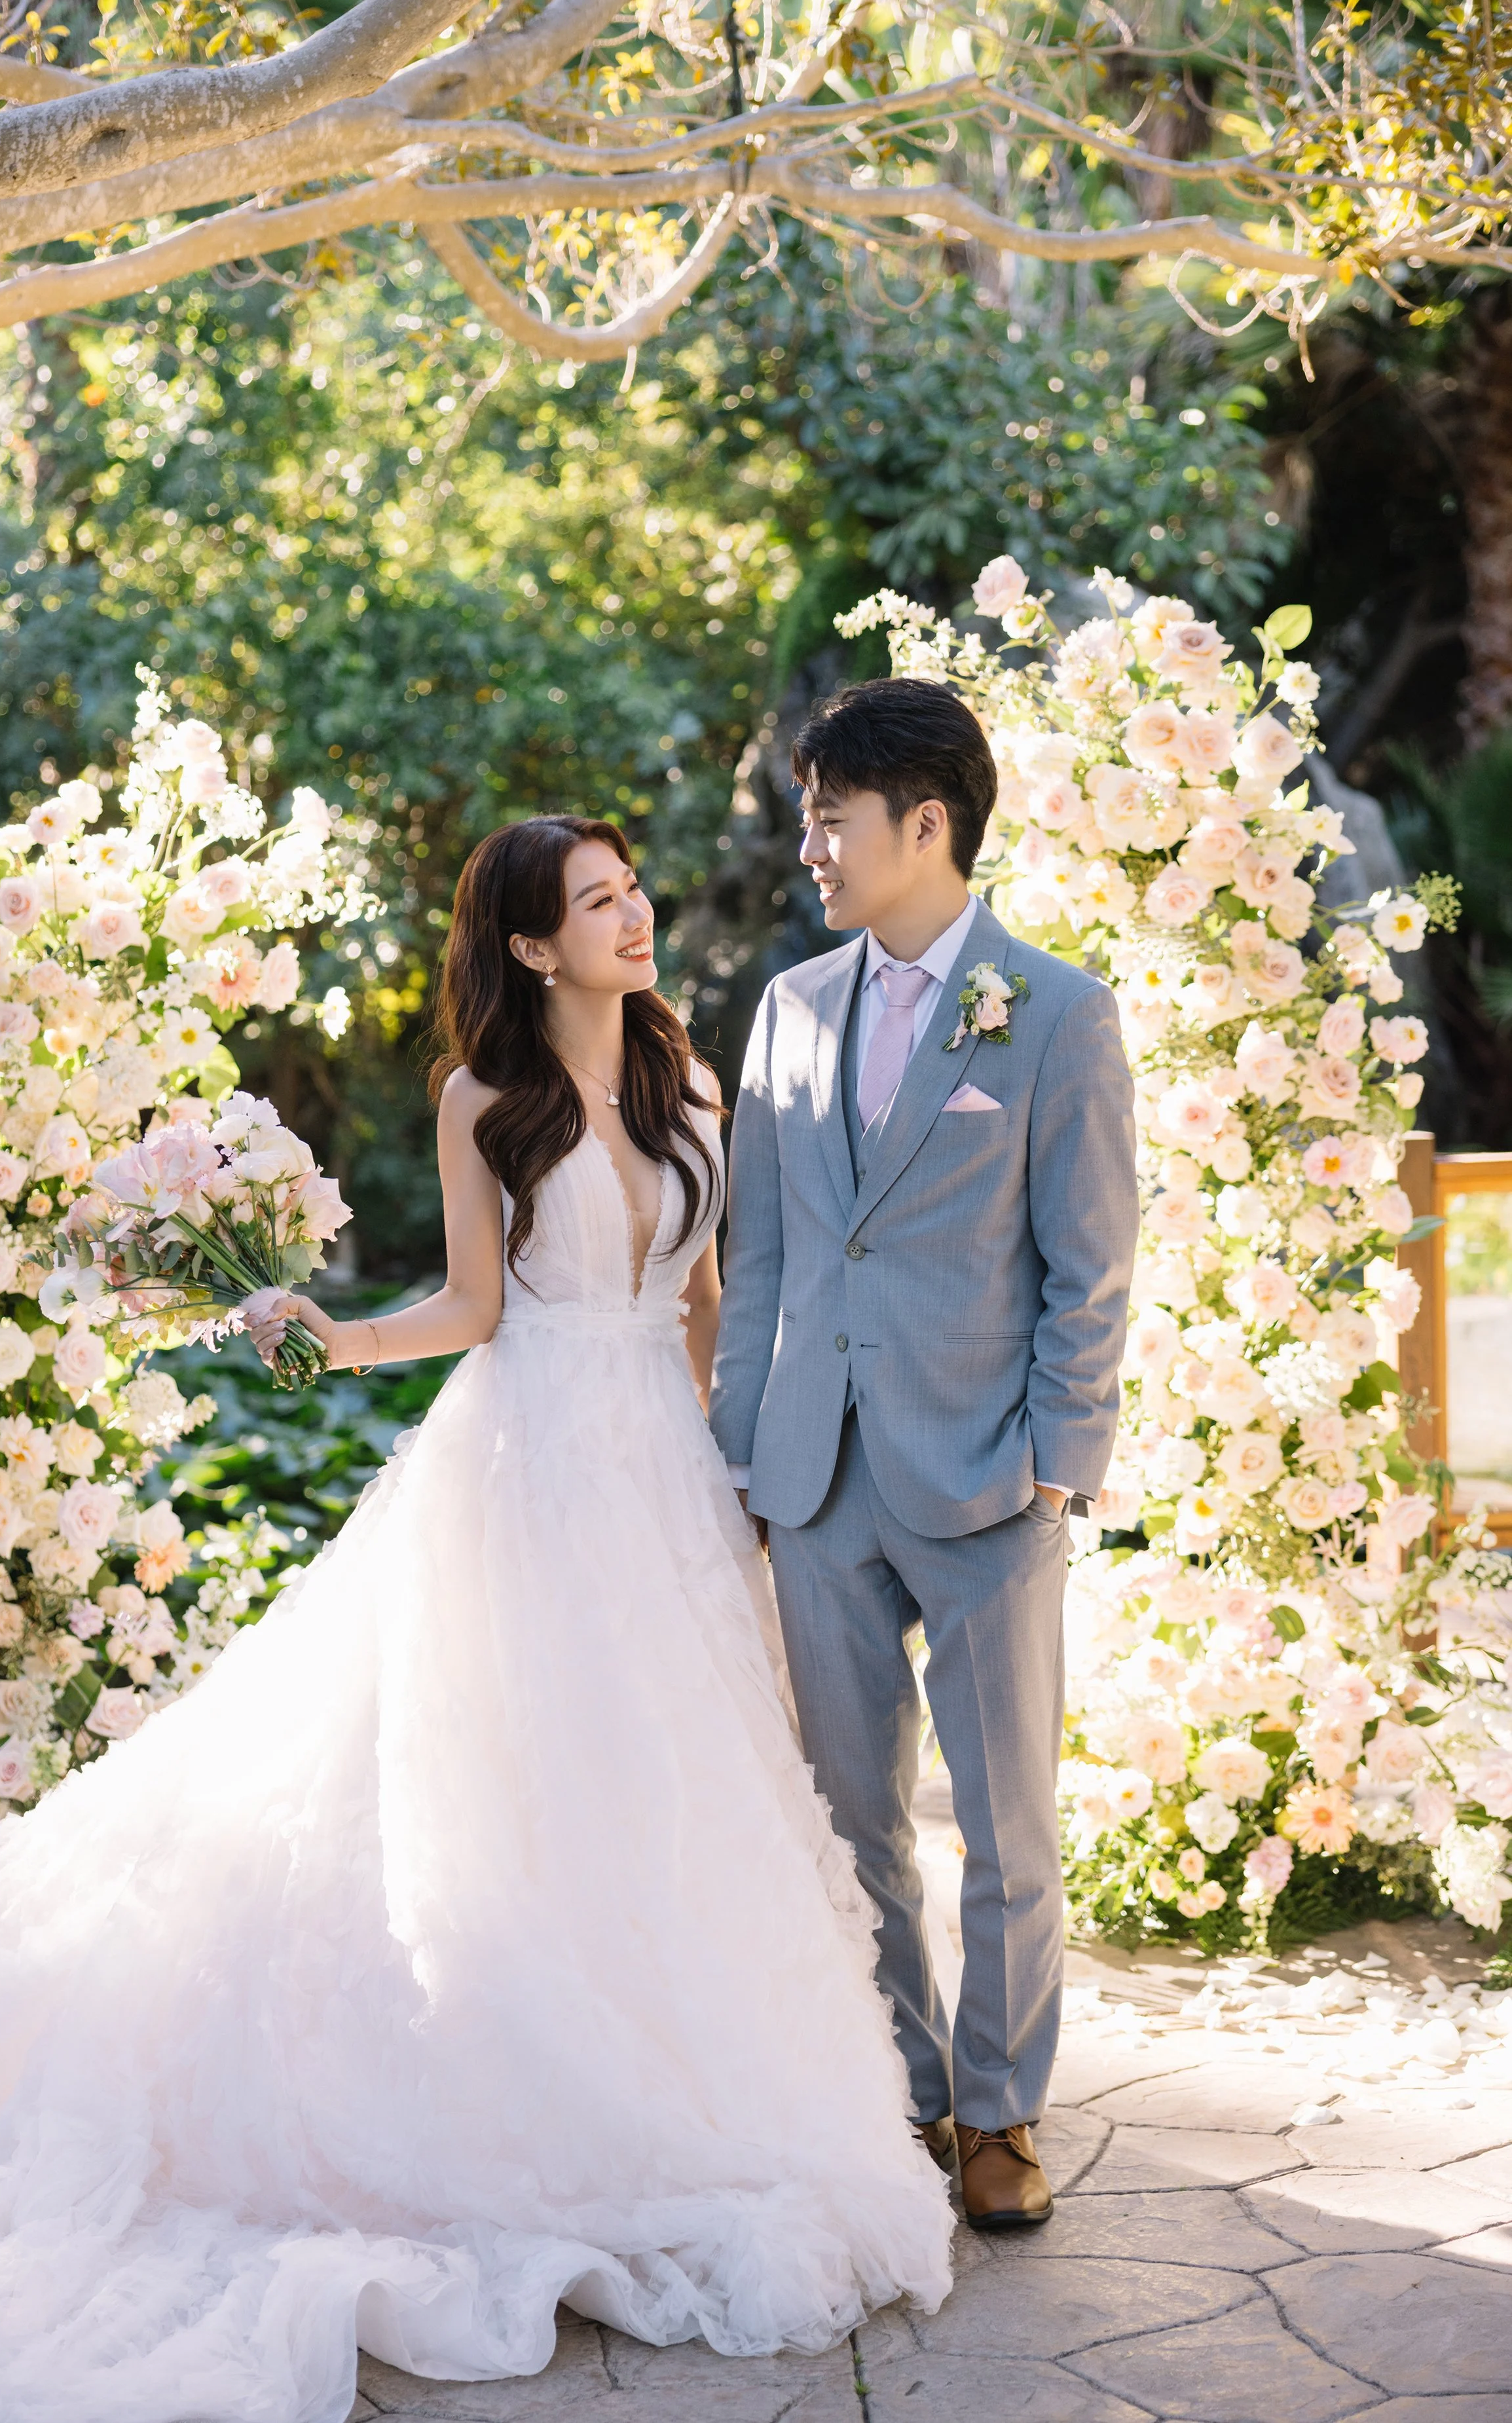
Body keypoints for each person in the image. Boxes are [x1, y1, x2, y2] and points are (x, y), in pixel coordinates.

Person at [0, 817, 951, 2423]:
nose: (631, 913)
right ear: (528, 944)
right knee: (534, 1780)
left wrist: (738, 1463)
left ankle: (690, 2079)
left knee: (693, 1784)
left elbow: (712, 1298)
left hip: (672, 1469)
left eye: (628, 888)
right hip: (530, 1462)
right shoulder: (480, 1100)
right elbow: (470, 1306)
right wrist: (329, 1331)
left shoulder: (694, 1081)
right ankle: (529, 2089)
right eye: (595, 902)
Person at [710, 678, 1137, 2230]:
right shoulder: (790, 1007)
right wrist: (744, 1458)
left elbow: (1090, 1266)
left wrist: (1052, 1457)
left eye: (829, 817)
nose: (808, 846)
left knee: (1007, 1822)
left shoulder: (1058, 1014)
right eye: (809, 816)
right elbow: (762, 1253)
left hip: (984, 1483)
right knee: (853, 1813)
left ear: (925, 823)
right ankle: (905, 2088)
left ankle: (1004, 2113)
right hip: (816, 1481)